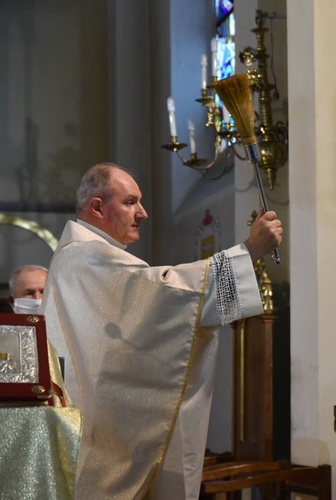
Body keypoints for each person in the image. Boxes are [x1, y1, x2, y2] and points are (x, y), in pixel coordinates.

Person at [42, 162, 282, 499]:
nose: (143, 213)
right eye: (130, 202)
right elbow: (168, 294)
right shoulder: (87, 257)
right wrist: (249, 251)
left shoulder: (80, 257)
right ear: (97, 207)